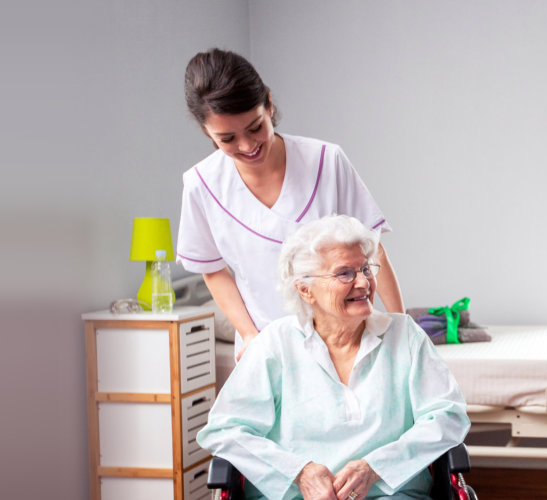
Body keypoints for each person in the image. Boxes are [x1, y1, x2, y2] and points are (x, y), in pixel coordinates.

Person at [196, 215, 469, 500]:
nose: (363, 282)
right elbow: (225, 429)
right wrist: (299, 472)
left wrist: (375, 467)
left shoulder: (405, 336)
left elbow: (449, 416)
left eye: (365, 268)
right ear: (305, 290)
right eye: (345, 273)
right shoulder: (276, 344)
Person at [174, 48, 405, 358]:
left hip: (344, 340)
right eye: (227, 139)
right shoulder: (201, 185)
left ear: (269, 104)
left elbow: (373, 249)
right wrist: (249, 334)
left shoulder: (325, 161)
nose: (247, 145)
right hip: (266, 346)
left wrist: (402, 330)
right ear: (207, 132)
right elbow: (212, 269)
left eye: (255, 127)